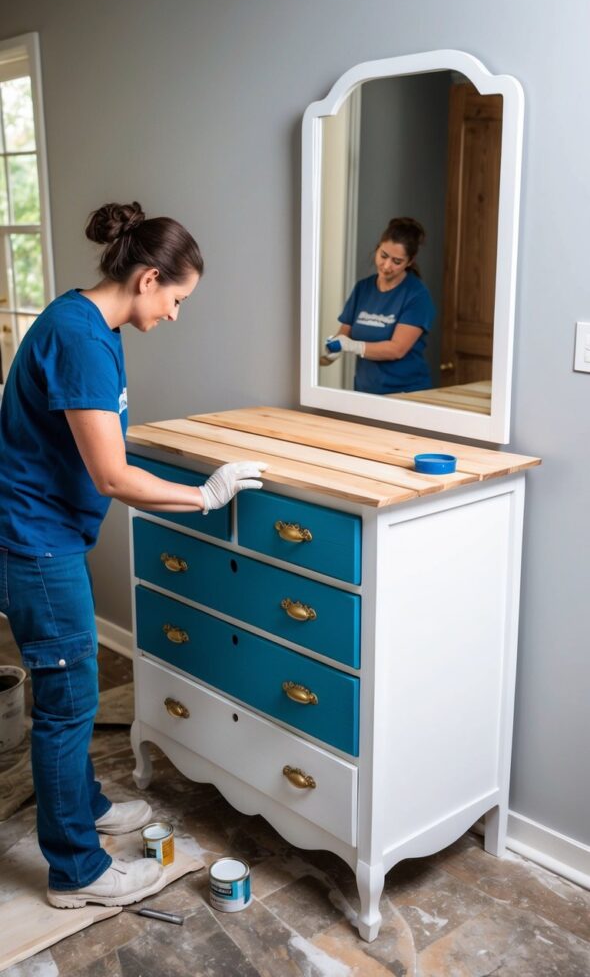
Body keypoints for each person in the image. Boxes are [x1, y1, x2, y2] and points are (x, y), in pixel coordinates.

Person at [0, 201, 266, 909]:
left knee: (70, 695)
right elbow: (112, 476)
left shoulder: (90, 321)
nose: (176, 315)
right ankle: (77, 873)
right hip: (33, 541)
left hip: (44, 532)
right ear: (149, 279)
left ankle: (80, 805)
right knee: (66, 702)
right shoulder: (81, 338)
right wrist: (204, 497)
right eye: (177, 299)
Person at [322, 217, 435, 395]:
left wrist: (352, 346)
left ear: (410, 261)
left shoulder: (417, 295)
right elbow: (345, 333)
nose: (387, 265)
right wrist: (329, 352)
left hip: (406, 393)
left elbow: (397, 349)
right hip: (365, 391)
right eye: (383, 256)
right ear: (377, 249)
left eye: (397, 261)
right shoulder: (363, 288)